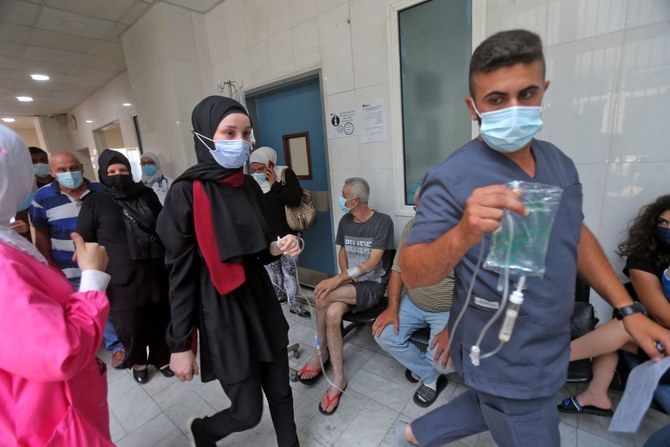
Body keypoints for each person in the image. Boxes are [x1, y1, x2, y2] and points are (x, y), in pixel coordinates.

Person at [395, 29, 670, 447]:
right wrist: (464, 231)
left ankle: (421, 431)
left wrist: (627, 307)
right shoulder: (451, 178)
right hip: (501, 353)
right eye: (497, 100)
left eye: (526, 94)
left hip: (549, 339)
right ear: (474, 107)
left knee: (495, 404)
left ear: (544, 91)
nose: (514, 109)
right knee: (522, 415)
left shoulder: (558, 163)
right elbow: (414, 272)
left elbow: (574, 234)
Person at [156, 96, 302, 447]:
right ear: (205, 135)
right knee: (246, 412)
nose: (240, 141)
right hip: (220, 309)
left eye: (246, 133)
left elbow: (259, 248)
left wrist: (281, 246)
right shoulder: (186, 193)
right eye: (228, 132)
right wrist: (180, 344)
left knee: (281, 391)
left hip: (259, 300)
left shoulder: (248, 185)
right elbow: (179, 274)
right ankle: (203, 431)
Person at [0, 125, 114, 446]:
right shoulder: (3, 263)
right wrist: (92, 279)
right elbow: (60, 352)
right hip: (49, 422)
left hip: (53, 408)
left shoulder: (7, 238)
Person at [558, 195, 670, 416]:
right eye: (663, 223)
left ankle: (536, 363)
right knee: (620, 329)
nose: (668, 229)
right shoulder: (642, 260)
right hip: (662, 338)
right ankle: (595, 394)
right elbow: (663, 316)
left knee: (621, 329)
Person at [297, 177, 394, 415]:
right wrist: (344, 276)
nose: (340, 199)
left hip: (371, 286)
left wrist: (339, 280)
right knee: (331, 312)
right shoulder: (346, 220)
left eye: (343, 195)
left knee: (321, 296)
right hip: (350, 284)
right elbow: (342, 252)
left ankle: (320, 353)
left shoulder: (382, 222)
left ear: (355, 200)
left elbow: (372, 264)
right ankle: (338, 378)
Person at [77, 149, 173, 384]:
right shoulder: (94, 202)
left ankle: (162, 357)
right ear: (102, 174)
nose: (118, 175)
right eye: (111, 171)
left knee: (161, 317)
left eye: (123, 170)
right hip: (121, 278)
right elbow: (86, 240)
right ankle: (138, 360)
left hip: (155, 271)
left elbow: (162, 227)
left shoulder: (147, 194)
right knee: (130, 326)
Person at [28, 150, 126, 369]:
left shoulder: (101, 190)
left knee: (109, 303)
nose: (69, 173)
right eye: (62, 170)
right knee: (78, 309)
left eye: (73, 168)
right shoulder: (42, 197)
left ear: (82, 168)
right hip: (66, 265)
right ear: (52, 173)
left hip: (104, 262)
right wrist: (48, 264)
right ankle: (87, 353)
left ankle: (117, 346)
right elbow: (41, 232)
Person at [372, 186, 455, 408]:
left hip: (449, 309)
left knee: (446, 362)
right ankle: (430, 376)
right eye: (418, 210)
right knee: (383, 333)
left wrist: (452, 328)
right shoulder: (412, 228)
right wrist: (391, 308)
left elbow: (474, 291)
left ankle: (430, 370)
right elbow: (398, 270)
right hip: (415, 302)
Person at [250, 146, 310, 318]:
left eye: (260, 169)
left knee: (289, 272)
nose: (257, 173)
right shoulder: (252, 182)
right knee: (272, 273)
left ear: (270, 163)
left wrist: (274, 184)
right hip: (266, 238)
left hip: (287, 234)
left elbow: (293, 199)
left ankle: (294, 304)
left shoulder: (285, 174)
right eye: (254, 170)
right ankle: (279, 296)